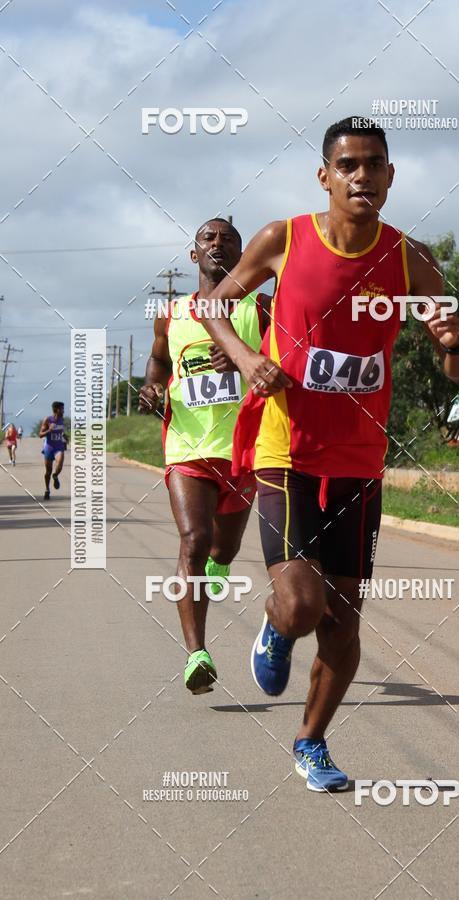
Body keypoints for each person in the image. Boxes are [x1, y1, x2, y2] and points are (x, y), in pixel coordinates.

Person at [199, 117, 459, 791]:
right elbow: (211, 305)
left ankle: (311, 742)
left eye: (373, 164)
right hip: (287, 446)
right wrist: (246, 356)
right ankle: (275, 628)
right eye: (347, 165)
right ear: (324, 176)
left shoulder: (412, 258)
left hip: (359, 460)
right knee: (299, 604)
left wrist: (451, 343)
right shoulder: (281, 239)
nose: (361, 176)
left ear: (390, 176)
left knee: (344, 620)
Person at [139, 218, 269, 695]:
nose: (218, 243)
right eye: (208, 238)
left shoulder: (263, 309)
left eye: (229, 239)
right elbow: (158, 361)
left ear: (242, 256)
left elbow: (289, 357)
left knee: (223, 548)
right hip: (187, 448)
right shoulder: (170, 315)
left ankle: (220, 565)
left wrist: (243, 355)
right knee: (193, 539)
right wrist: (153, 386)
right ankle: (197, 653)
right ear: (194, 255)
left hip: (243, 449)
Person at [39, 402, 68, 499]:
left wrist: (65, 436)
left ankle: (55, 476)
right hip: (49, 447)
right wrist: (49, 430)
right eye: (62, 409)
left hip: (59, 446)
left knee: (59, 464)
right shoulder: (48, 420)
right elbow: (40, 435)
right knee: (48, 471)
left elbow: (61, 431)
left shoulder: (62, 419)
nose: (64, 411)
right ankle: (47, 489)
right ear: (57, 409)